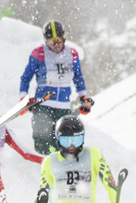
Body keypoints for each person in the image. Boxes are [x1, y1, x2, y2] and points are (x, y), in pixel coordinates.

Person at [18, 20, 92, 155]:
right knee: (42, 141)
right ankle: (42, 168)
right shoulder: (38, 54)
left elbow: (78, 77)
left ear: (64, 38)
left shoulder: (72, 54)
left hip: (64, 107)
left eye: (58, 40)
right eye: (52, 42)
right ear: (46, 40)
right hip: (43, 105)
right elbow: (25, 78)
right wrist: (23, 97)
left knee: (64, 142)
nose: (56, 45)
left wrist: (83, 96)